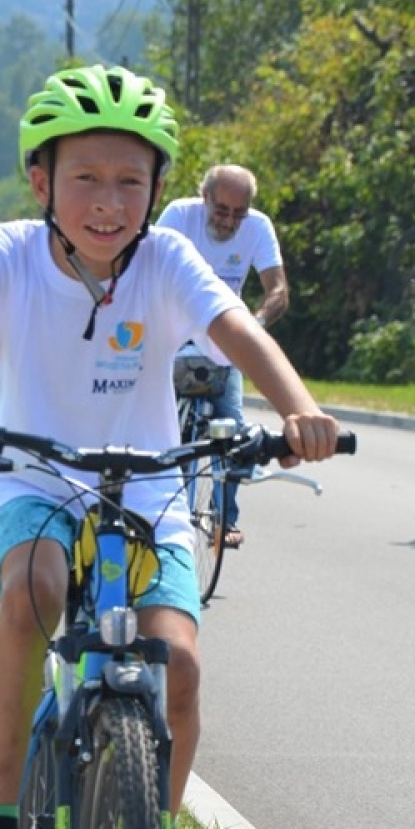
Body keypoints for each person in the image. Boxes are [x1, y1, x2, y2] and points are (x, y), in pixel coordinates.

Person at [0, 64, 341, 829]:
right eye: (86, 180)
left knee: (178, 665)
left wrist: (297, 409)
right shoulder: (11, 252)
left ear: (157, 191)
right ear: (41, 181)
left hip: (150, 487)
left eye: (130, 182)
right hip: (32, 479)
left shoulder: (169, 260)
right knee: (35, 589)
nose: (108, 202)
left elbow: (240, 332)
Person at [156, 164, 289, 549]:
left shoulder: (259, 227)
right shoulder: (179, 216)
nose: (230, 221)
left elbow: (278, 289)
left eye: (238, 213)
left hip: (225, 342)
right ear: (205, 198)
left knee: (233, 431)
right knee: (166, 433)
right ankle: (167, 518)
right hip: (175, 335)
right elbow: (148, 271)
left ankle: (224, 519)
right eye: (221, 210)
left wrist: (254, 325)